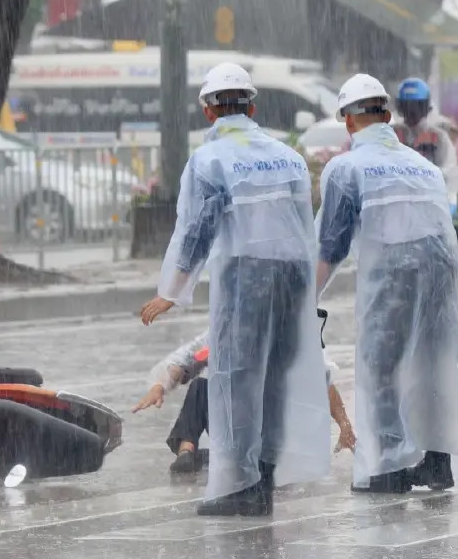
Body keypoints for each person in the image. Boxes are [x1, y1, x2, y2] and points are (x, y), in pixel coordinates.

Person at [139, 62, 331, 517]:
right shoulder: (288, 156)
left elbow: (196, 229)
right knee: (276, 380)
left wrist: (173, 289)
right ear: (254, 106)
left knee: (235, 379)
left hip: (246, 273)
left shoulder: (209, 160)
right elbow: (303, 227)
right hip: (292, 275)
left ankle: (241, 485)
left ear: (209, 112)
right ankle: (263, 479)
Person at [315, 73, 458, 494]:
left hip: (396, 266)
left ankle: (389, 467)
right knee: (433, 362)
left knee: (382, 364)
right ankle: (436, 462)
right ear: (388, 115)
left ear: (347, 121)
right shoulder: (424, 165)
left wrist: (307, 299)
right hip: (443, 266)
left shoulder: (345, 168)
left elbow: (330, 246)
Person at [133, 308, 356, 473]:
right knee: (200, 386)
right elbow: (187, 358)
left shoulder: (289, 334)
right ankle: (186, 451)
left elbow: (323, 379)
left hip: (274, 426)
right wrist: (159, 385)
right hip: (235, 422)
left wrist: (345, 426)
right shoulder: (226, 328)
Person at [393, 77, 458, 285]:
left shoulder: (438, 137)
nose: (412, 113)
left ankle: (453, 262)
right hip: (400, 197)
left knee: (443, 225)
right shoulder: (391, 135)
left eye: (417, 106)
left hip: (435, 195)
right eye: (408, 107)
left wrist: (428, 177)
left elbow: (448, 167)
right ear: (400, 107)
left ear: (425, 107)